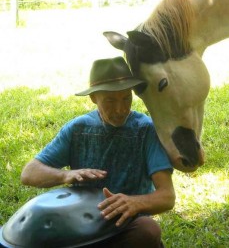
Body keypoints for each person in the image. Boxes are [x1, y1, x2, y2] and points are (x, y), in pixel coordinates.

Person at [20, 56, 175, 248]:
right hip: (81, 227)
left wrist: (134, 203)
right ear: (93, 98)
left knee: (148, 229)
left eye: (126, 98)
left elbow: (167, 196)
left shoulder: (146, 130)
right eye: (110, 100)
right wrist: (66, 175)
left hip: (124, 226)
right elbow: (29, 173)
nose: (120, 109)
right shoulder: (78, 128)